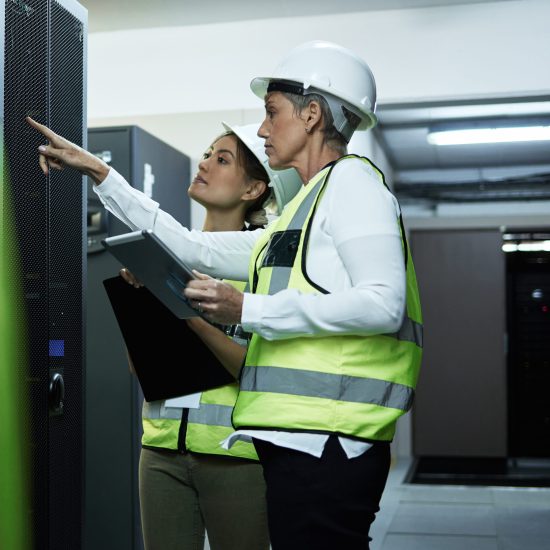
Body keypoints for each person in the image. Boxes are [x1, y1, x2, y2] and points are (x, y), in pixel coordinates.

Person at [28, 40, 423, 550]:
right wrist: (101, 175)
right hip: (300, 439)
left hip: (331, 442)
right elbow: (191, 245)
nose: (262, 129)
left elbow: (382, 303)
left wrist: (246, 309)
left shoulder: (353, 185)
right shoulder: (305, 210)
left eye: (271, 112)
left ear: (311, 113)